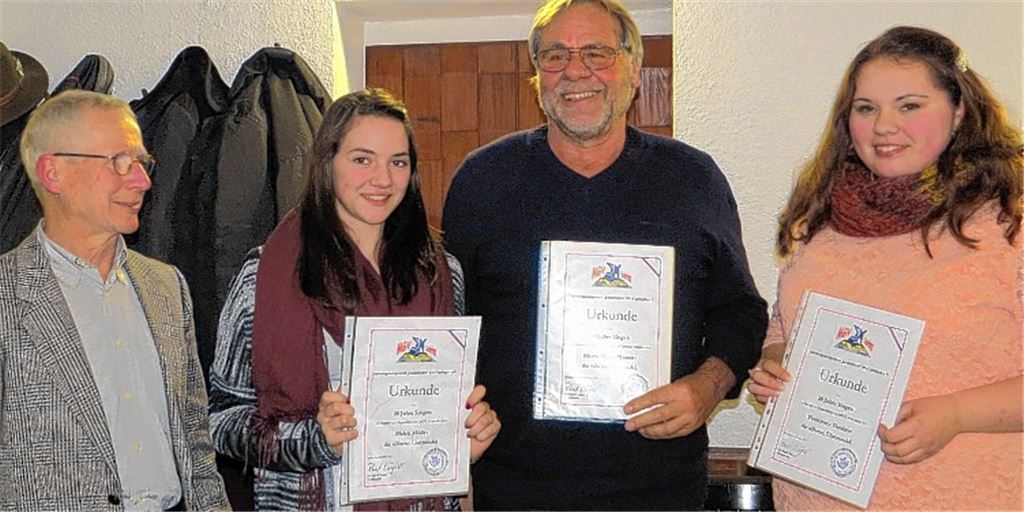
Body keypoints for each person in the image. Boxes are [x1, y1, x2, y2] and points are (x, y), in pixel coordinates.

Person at [442, 0, 768, 508]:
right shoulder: (483, 181)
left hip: (658, 490)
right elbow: (447, 323)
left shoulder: (693, 180)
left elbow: (740, 313)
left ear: (635, 70)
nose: (575, 70)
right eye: (555, 56)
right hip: (513, 490)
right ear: (536, 76)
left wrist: (706, 390)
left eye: (597, 52)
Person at [748, 26, 1022, 510]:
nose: (883, 126)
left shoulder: (1009, 222)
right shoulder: (818, 221)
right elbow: (784, 328)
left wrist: (956, 413)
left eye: (910, 105)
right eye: (866, 108)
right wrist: (776, 363)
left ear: (959, 110)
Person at [208, 88, 501, 511]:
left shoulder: (443, 275)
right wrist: (315, 440)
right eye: (362, 159)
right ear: (327, 163)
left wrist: (466, 438)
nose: (382, 179)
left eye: (397, 162)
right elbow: (221, 421)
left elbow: (445, 406)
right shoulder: (263, 276)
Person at [0, 90, 229, 510]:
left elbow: (195, 438)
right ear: (53, 173)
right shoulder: (6, 295)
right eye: (120, 162)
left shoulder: (165, 287)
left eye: (142, 163)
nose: (142, 180)